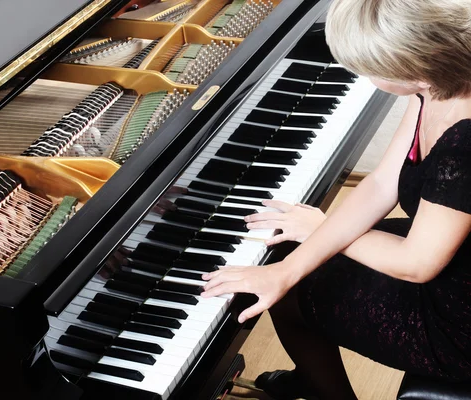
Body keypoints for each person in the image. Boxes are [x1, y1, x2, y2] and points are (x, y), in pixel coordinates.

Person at [201, 0, 471, 399]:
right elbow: (382, 183)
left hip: (456, 318)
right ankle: (314, 377)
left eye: (368, 69)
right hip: (446, 252)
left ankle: (325, 390)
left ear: (415, 70)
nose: (363, 77)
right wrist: (292, 261)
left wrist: (315, 233)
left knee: (292, 294)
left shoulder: (463, 142)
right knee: (286, 264)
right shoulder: (435, 86)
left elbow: (417, 264)